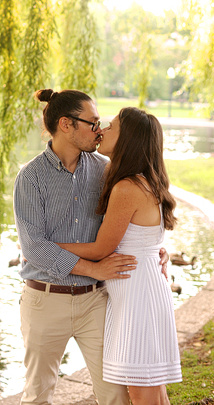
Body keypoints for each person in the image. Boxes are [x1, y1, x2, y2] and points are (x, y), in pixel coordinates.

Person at [13, 89, 139, 405]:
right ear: (66, 125)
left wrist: (152, 251)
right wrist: (93, 267)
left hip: (95, 301)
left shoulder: (105, 170)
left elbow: (123, 222)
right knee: (37, 396)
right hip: (44, 301)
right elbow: (34, 247)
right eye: (93, 123)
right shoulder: (30, 177)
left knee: (115, 394)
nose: (99, 130)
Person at [57, 106, 182, 405]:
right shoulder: (143, 181)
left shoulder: (128, 187)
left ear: (128, 139)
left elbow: (102, 249)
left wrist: (48, 246)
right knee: (152, 392)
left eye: (111, 126)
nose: (102, 130)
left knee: (143, 393)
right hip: (140, 292)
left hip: (138, 298)